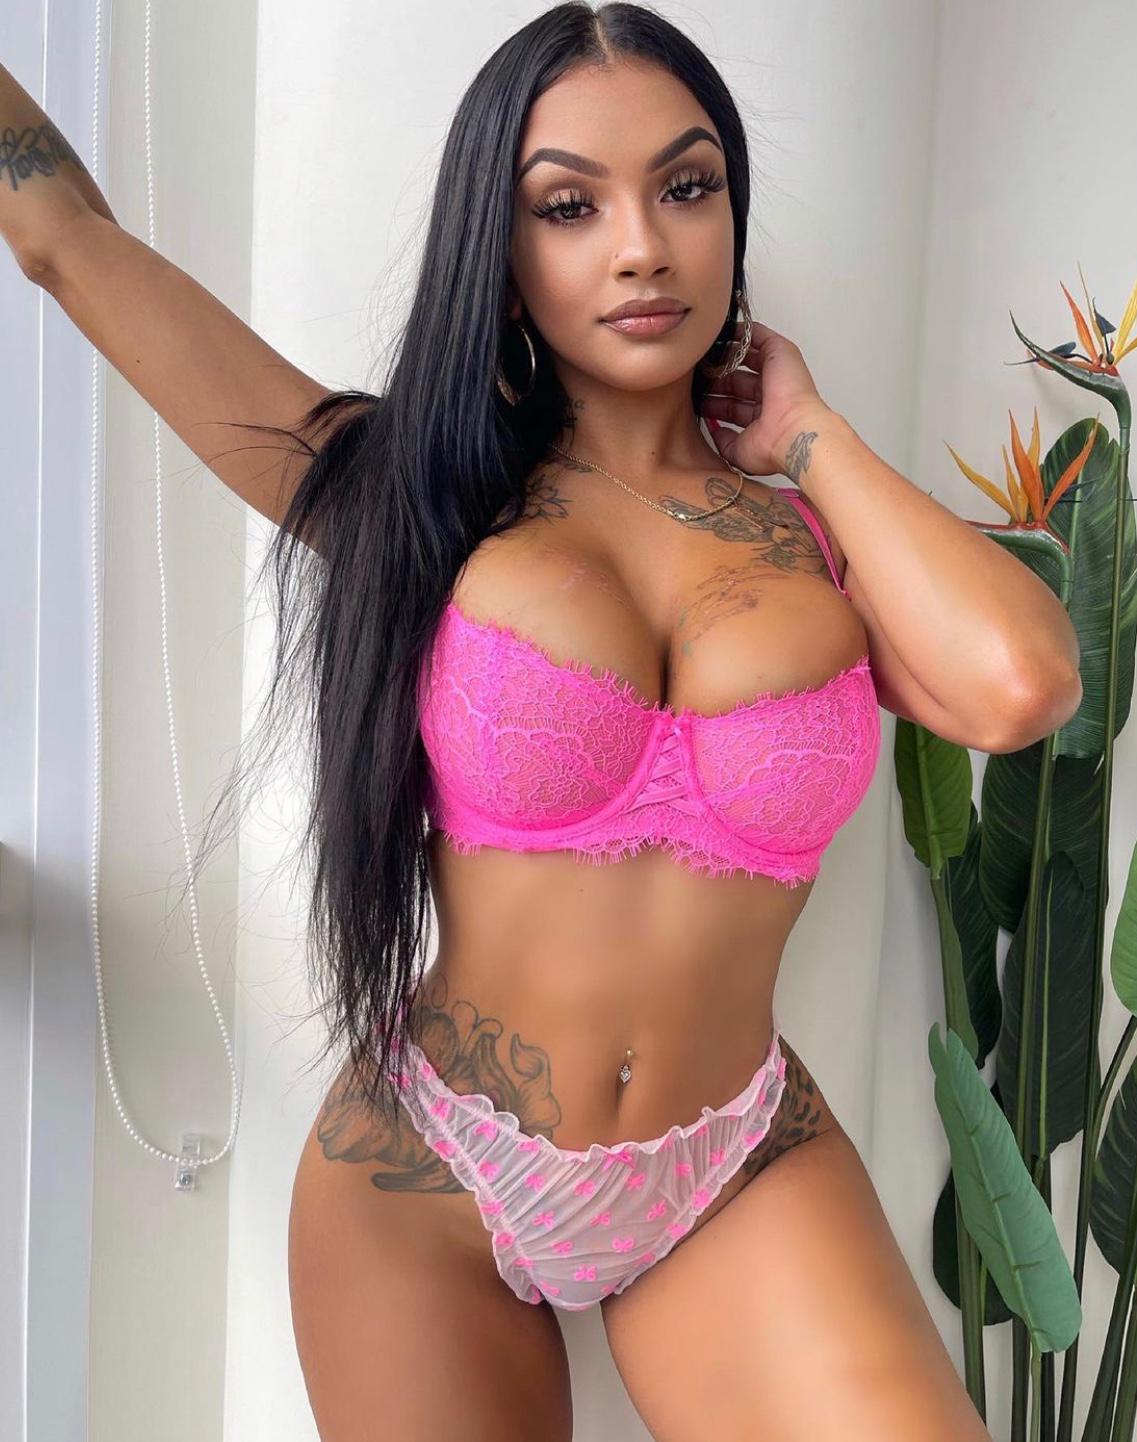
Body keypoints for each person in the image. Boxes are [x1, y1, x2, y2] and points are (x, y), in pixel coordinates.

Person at [3, 3, 1081, 1437]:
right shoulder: (413, 499)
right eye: (569, 206)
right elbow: (64, 242)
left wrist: (808, 437)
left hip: (733, 1164)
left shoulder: (815, 546)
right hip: (429, 1174)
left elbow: (1021, 684)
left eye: (686, 186)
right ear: (500, 251)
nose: (641, 247)